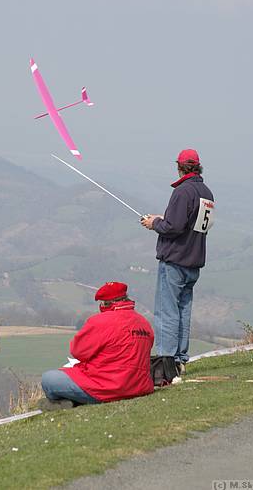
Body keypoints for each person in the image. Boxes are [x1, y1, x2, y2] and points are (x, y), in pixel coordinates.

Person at [141, 149, 214, 374]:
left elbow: (173, 228)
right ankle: (181, 358)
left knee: (167, 312)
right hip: (194, 261)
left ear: (179, 167)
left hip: (175, 261)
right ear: (198, 166)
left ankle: (166, 363)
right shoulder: (207, 193)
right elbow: (195, 225)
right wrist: (163, 220)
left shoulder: (183, 192)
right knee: (183, 311)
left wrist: (154, 224)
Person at [41, 282, 154, 408]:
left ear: (106, 303)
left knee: (49, 379)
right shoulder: (144, 322)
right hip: (139, 387)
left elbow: (77, 351)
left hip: (108, 388)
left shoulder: (100, 321)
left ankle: (68, 401)